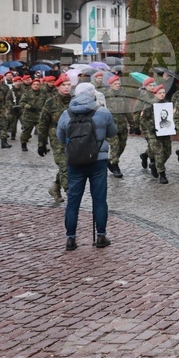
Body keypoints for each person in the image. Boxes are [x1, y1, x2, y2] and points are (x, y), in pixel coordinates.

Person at [57, 82, 118, 250]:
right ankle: (101, 236)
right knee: (99, 199)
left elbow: (60, 137)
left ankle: (70, 239)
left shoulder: (66, 114)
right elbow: (113, 132)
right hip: (98, 160)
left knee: (73, 201)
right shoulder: (103, 112)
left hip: (75, 161)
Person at [38, 75, 73, 204]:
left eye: (68, 85)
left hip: (73, 138)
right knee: (64, 165)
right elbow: (43, 123)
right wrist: (42, 143)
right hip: (57, 139)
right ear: (57, 87)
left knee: (70, 164)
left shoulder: (75, 101)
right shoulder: (50, 102)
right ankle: (70, 193)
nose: (66, 87)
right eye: (63, 85)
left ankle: (55, 188)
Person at [141, 86, 172, 183]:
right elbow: (143, 119)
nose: (162, 94)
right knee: (159, 153)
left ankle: (155, 165)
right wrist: (150, 127)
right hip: (153, 133)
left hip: (165, 132)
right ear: (155, 94)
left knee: (168, 152)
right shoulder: (149, 104)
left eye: (163, 93)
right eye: (160, 93)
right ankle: (162, 174)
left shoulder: (167, 104)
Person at [103, 74, 131, 177]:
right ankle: (115, 166)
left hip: (122, 125)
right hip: (110, 126)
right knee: (115, 145)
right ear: (110, 85)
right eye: (115, 84)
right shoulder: (106, 96)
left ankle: (111, 160)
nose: (118, 85)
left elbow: (128, 110)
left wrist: (133, 124)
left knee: (122, 146)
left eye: (119, 83)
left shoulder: (123, 95)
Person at [18, 77, 45, 152]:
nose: (36, 86)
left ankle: (42, 146)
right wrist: (29, 107)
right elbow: (21, 103)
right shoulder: (27, 93)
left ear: (40, 85)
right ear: (31, 85)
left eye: (37, 84)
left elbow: (47, 103)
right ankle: (23, 144)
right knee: (26, 132)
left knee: (41, 132)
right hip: (28, 116)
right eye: (34, 84)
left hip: (39, 116)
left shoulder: (43, 93)